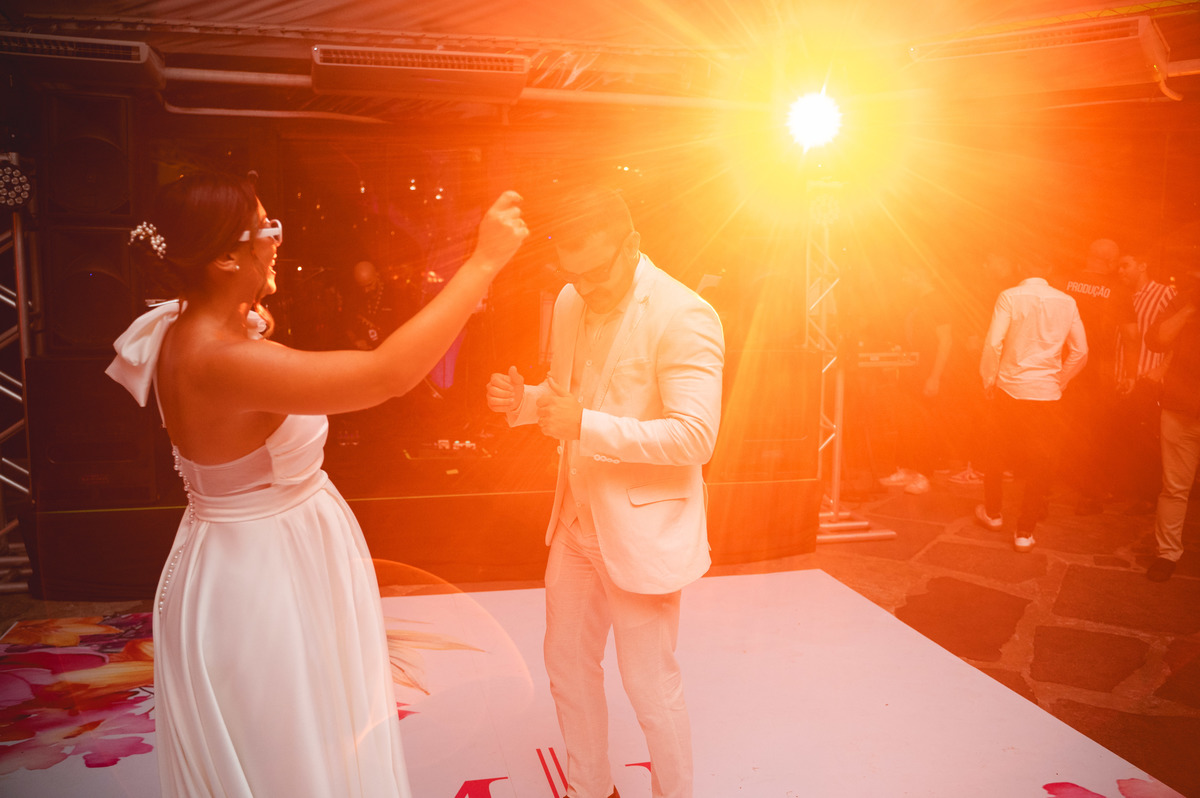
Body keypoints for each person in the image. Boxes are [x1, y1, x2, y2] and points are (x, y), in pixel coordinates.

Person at [108, 171, 527, 796]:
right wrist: (483, 263)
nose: (277, 240)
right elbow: (387, 375)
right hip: (262, 577)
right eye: (266, 229)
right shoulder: (223, 358)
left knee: (298, 741)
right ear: (225, 257)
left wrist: (251, 314)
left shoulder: (191, 326)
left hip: (252, 553)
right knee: (293, 754)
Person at [485, 186, 724, 798]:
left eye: (595, 271)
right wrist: (526, 404)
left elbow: (696, 437)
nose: (583, 288)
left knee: (649, 684)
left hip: (640, 529)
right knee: (566, 667)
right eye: (572, 273)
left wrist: (583, 425)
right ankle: (590, 790)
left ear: (633, 244)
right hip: (574, 518)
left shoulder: (685, 313)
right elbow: (571, 394)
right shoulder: (570, 298)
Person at [978, 256, 1088, 552]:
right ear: (1049, 269)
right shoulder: (1066, 301)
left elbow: (993, 343)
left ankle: (993, 514)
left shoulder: (1009, 296)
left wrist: (989, 378)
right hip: (1046, 394)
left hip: (1009, 388)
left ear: (1020, 268)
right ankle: (1024, 532)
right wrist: (1060, 381)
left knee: (996, 452)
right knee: (1041, 464)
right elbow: (1081, 351)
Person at [1059, 238, 1139, 514]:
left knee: (1056, 426)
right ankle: (1089, 496)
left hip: (1060, 365)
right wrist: (1130, 373)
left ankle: (1043, 491)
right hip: (1095, 370)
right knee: (1094, 432)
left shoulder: (1065, 282)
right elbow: (1131, 335)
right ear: (1109, 262)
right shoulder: (1118, 290)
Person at [1144, 264, 1200, 581]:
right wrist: (1192, 306)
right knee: (1175, 487)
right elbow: (1158, 341)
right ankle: (1167, 554)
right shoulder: (1183, 300)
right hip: (1181, 407)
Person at [878, 266, 953, 494]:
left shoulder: (937, 300)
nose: (903, 277)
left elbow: (946, 341)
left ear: (921, 273)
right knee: (907, 421)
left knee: (923, 423)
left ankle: (923, 474)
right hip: (912, 370)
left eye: (907, 273)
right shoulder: (918, 301)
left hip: (927, 370)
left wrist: (934, 376)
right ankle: (907, 470)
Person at [1115, 252, 1176, 514]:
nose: (1121, 270)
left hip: (1148, 376)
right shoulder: (1123, 296)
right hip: (1124, 376)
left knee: (1147, 440)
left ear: (1143, 263)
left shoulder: (1164, 294)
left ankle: (1149, 495)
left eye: (1126, 265)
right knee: (1127, 437)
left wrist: (1163, 368)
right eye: (1118, 266)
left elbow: (1178, 333)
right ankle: (1129, 491)